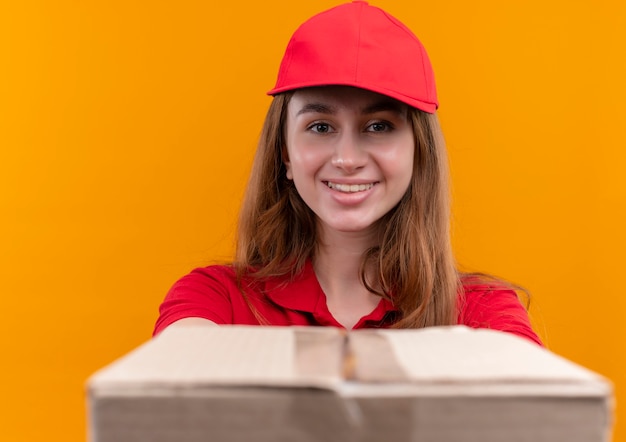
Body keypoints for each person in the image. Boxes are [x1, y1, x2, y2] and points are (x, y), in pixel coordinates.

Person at [153, 1, 542, 346]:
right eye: (321, 127)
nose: (348, 158)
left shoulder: (484, 312)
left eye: (379, 126)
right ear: (285, 153)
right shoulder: (215, 298)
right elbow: (174, 387)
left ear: (418, 153)